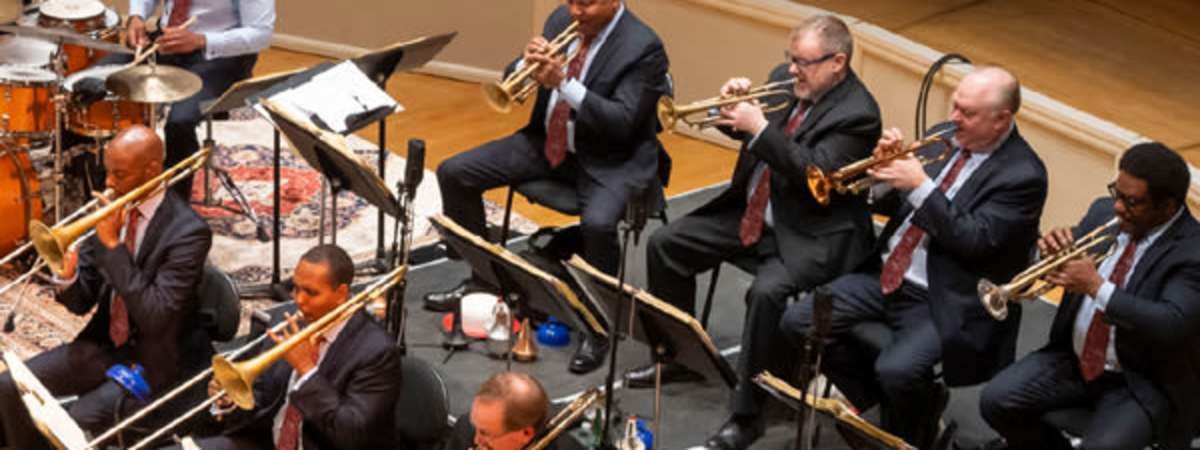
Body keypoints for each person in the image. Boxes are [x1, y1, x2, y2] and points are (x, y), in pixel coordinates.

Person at [626, 15, 882, 450]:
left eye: (805, 62)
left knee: (765, 295)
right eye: (790, 58)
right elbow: (755, 139)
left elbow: (811, 174)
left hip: (811, 232)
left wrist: (759, 127)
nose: (792, 69)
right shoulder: (785, 81)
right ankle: (675, 355)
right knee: (666, 244)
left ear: (838, 62)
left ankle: (748, 414)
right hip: (754, 210)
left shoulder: (859, 114)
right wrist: (731, 114)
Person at [778, 66, 1048, 449]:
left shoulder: (1024, 175)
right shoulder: (944, 135)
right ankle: (884, 398)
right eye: (955, 105)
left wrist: (920, 185)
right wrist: (884, 174)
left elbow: (972, 240)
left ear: (1001, 119)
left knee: (898, 369)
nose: (953, 117)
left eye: (967, 113)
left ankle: (912, 434)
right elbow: (894, 204)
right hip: (887, 275)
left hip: (946, 296)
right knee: (798, 322)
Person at [427, 0, 670, 374]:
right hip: (548, 143)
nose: (575, 11)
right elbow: (518, 73)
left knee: (599, 225)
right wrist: (525, 65)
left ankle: (599, 324)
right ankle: (485, 281)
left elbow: (622, 122)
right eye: (572, 0)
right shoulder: (561, 17)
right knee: (454, 172)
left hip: (611, 158)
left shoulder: (644, 48)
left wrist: (564, 84)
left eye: (586, 3)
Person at [0, 125, 214, 449]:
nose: (109, 184)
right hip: (104, 345)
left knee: (77, 423)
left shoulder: (189, 232)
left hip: (158, 359)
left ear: (152, 170)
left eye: (120, 174)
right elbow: (81, 302)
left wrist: (113, 247)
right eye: (107, 172)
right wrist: (69, 277)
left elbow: (155, 316)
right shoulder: (112, 210)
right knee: (7, 388)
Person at [980, 143, 1200, 450]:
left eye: (1132, 201)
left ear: (1168, 207)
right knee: (996, 400)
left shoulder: (1193, 251)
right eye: (1117, 193)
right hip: (1073, 361)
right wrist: (1046, 257)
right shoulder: (1102, 213)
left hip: (1139, 381)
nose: (1118, 208)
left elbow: (1170, 322)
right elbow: (1060, 265)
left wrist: (1097, 287)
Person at [166, 244, 404, 450]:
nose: (298, 300)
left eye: (311, 292)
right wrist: (232, 401)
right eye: (296, 287)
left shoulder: (377, 352)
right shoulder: (287, 322)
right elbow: (262, 399)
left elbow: (350, 435)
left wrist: (306, 370)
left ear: (341, 293)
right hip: (265, 442)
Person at [122, 0, 275, 197]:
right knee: (96, 82)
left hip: (218, 54)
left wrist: (200, 40)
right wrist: (137, 16)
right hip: (168, 40)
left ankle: (174, 208)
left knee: (179, 122)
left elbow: (261, 35)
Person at [443, 372, 553, 450]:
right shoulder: (465, 429)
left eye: (485, 433)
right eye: (475, 426)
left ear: (526, 434)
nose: (476, 441)